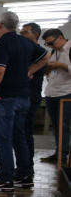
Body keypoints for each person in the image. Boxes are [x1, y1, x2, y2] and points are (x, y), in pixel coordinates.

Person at [0, 11, 48, 191]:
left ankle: (5, 179)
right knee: (19, 137)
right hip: (23, 98)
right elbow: (46, 56)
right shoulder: (26, 43)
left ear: (1, 25)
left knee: (4, 140)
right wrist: (29, 70)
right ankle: (24, 176)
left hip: (5, 98)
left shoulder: (2, 44)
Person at [39, 29, 71, 164]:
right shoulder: (54, 51)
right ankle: (59, 151)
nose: (50, 46)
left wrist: (60, 65)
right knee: (56, 124)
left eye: (51, 43)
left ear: (60, 38)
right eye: (47, 45)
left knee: (63, 124)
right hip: (52, 92)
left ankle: (63, 154)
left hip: (66, 92)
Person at [19, 22, 45, 178]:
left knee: (25, 133)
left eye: (25, 32)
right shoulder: (26, 52)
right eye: (21, 32)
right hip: (22, 96)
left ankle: (27, 168)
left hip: (31, 96)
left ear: (35, 34)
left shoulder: (39, 52)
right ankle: (24, 166)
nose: (22, 35)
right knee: (20, 133)